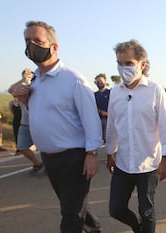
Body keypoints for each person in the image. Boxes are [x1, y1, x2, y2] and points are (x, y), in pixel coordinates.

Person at [16, 20, 102, 233]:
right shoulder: (36, 81)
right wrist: (25, 100)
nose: (31, 45)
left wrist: (92, 154)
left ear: (53, 47)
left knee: (70, 215)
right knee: (72, 204)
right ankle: (95, 228)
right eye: (28, 41)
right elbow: (40, 113)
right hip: (49, 157)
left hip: (73, 157)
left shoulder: (73, 79)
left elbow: (90, 119)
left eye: (38, 40)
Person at [106, 39, 166, 233]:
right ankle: (139, 229)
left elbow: (165, 125)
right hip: (123, 163)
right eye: (119, 63)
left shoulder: (154, 90)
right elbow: (112, 125)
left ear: (142, 64)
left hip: (148, 163)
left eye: (128, 63)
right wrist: (110, 153)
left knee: (146, 210)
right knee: (116, 208)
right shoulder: (115, 93)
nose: (123, 68)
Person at [94, 73, 111, 144]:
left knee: (109, 139)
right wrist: (99, 111)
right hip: (98, 119)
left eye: (101, 81)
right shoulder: (94, 95)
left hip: (109, 119)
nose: (99, 83)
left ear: (105, 82)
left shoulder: (110, 93)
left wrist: (108, 114)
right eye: (98, 82)